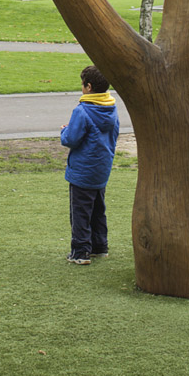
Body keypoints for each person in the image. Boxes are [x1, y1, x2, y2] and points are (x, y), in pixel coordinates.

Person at [60, 65, 120, 265]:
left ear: (89, 87)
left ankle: (80, 251)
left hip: (83, 170)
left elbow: (71, 139)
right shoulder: (111, 108)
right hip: (101, 168)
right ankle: (99, 246)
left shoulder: (82, 110)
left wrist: (65, 131)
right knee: (97, 209)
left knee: (80, 212)